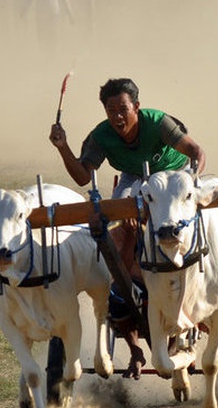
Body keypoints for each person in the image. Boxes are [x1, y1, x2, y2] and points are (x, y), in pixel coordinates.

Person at [48, 78, 206, 378]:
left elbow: (196, 151)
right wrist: (63, 146)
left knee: (178, 224)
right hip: (134, 178)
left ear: (136, 106)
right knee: (117, 217)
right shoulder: (102, 135)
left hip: (173, 178)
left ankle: (189, 271)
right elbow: (83, 177)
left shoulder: (158, 123)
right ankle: (126, 275)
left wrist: (193, 180)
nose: (117, 116)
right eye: (111, 110)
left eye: (123, 108)